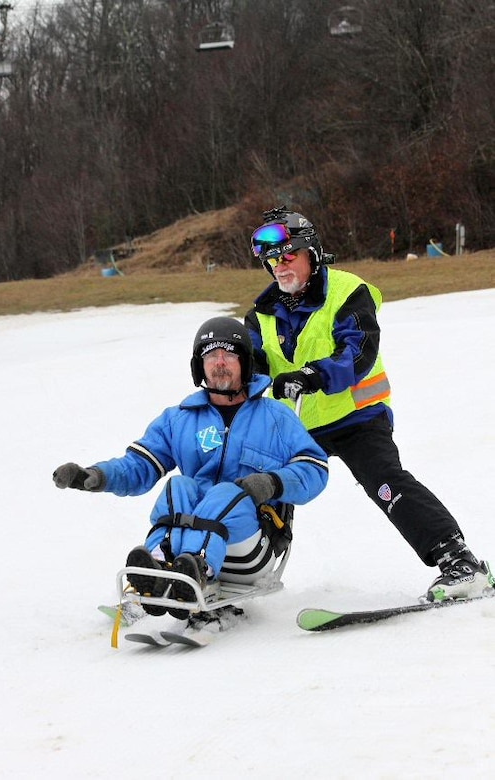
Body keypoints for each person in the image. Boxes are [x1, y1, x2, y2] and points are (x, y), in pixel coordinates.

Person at [246, 206, 494, 602]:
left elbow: (357, 352)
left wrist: (313, 375)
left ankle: (459, 562)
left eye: (288, 255)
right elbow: (253, 370)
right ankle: (237, 573)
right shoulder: (261, 315)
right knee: (254, 485)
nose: (280, 266)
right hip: (298, 426)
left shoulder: (346, 291)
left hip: (358, 418)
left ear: (311, 252)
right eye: (272, 259)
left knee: (385, 482)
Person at [53, 316, 329, 618]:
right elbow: (139, 465)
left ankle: (198, 569)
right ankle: (160, 567)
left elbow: (314, 468)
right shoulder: (180, 419)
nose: (219, 362)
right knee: (180, 486)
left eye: (228, 354)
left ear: (245, 363)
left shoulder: (275, 417)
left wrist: (273, 482)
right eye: (210, 355)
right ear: (200, 366)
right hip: (187, 546)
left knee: (224, 492)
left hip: (250, 545)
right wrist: (96, 475)